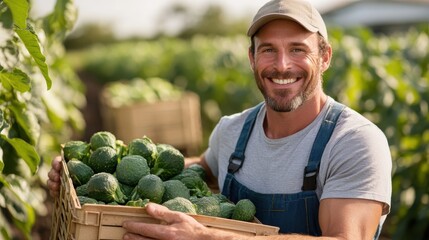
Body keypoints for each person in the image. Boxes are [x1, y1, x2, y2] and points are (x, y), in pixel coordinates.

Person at [47, 0, 392, 239]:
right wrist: (84, 177)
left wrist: (207, 237)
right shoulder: (233, 131)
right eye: (268, 49)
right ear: (251, 58)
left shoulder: (353, 141)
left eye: (298, 49)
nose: (282, 64)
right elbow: (199, 169)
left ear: (325, 56)